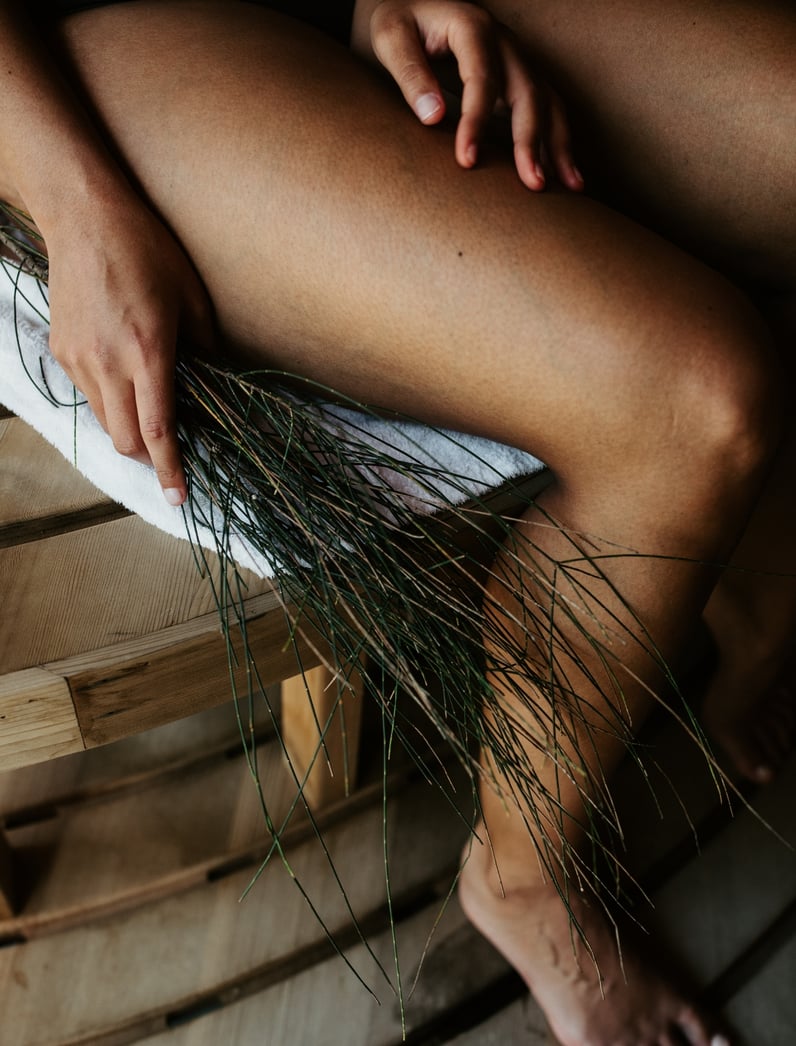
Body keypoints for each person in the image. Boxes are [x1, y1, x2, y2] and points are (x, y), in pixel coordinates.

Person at [1, 1, 793, 1042]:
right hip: (82, 60)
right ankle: (522, 875)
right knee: (693, 409)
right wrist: (69, 204)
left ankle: (746, 594)